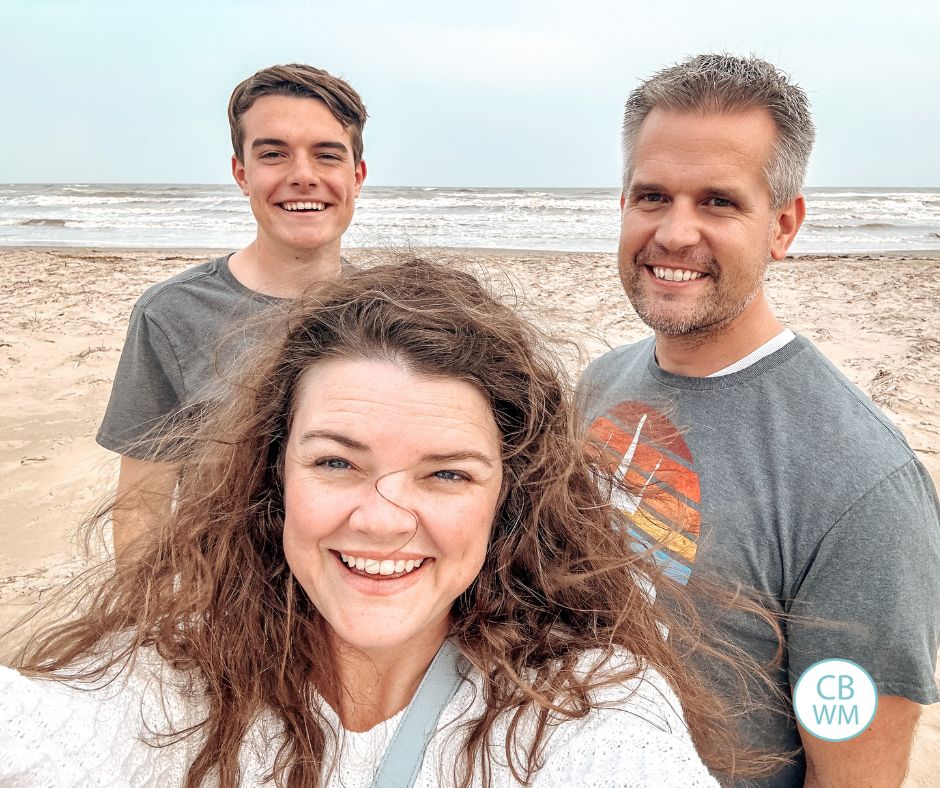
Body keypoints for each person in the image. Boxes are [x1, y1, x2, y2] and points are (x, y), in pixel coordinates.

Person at [1, 260, 778, 787]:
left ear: (510, 497)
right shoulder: (164, 680)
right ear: (271, 475)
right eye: (337, 463)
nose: (380, 518)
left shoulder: (587, 704)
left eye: (447, 474)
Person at [577, 54, 940, 787]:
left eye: (718, 202)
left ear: (783, 225)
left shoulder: (862, 485)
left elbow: (853, 776)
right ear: (623, 205)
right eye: (653, 196)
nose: (675, 234)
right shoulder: (599, 384)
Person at [96, 63, 368, 557]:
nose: (303, 176)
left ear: (357, 176)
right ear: (242, 173)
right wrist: (149, 623)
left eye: (327, 155)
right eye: (273, 154)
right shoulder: (172, 315)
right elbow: (142, 506)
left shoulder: (392, 309)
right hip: (232, 606)